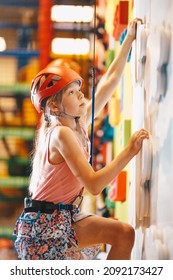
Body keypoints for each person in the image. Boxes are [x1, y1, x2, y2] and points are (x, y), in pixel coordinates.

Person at [13, 18, 149, 260]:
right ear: (55, 107)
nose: (81, 96)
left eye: (79, 89)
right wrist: (129, 151)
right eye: (72, 93)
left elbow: (110, 81)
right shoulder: (61, 133)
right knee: (123, 234)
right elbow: (94, 186)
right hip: (44, 227)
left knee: (123, 234)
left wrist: (128, 40)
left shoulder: (76, 124)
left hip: (59, 217)